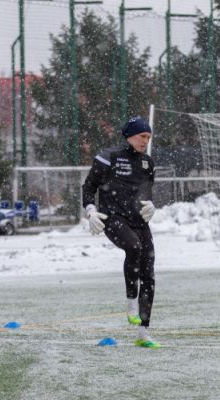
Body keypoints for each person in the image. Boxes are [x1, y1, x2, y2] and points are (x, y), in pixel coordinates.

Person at [82, 117, 159, 348]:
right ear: (129, 136)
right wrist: (91, 211)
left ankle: (143, 333)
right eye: (141, 137)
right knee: (133, 247)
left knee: (149, 273)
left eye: (148, 137)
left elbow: (146, 193)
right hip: (112, 218)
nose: (145, 141)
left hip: (138, 221)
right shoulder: (109, 157)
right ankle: (131, 305)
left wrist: (151, 206)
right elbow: (88, 186)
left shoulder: (148, 163)